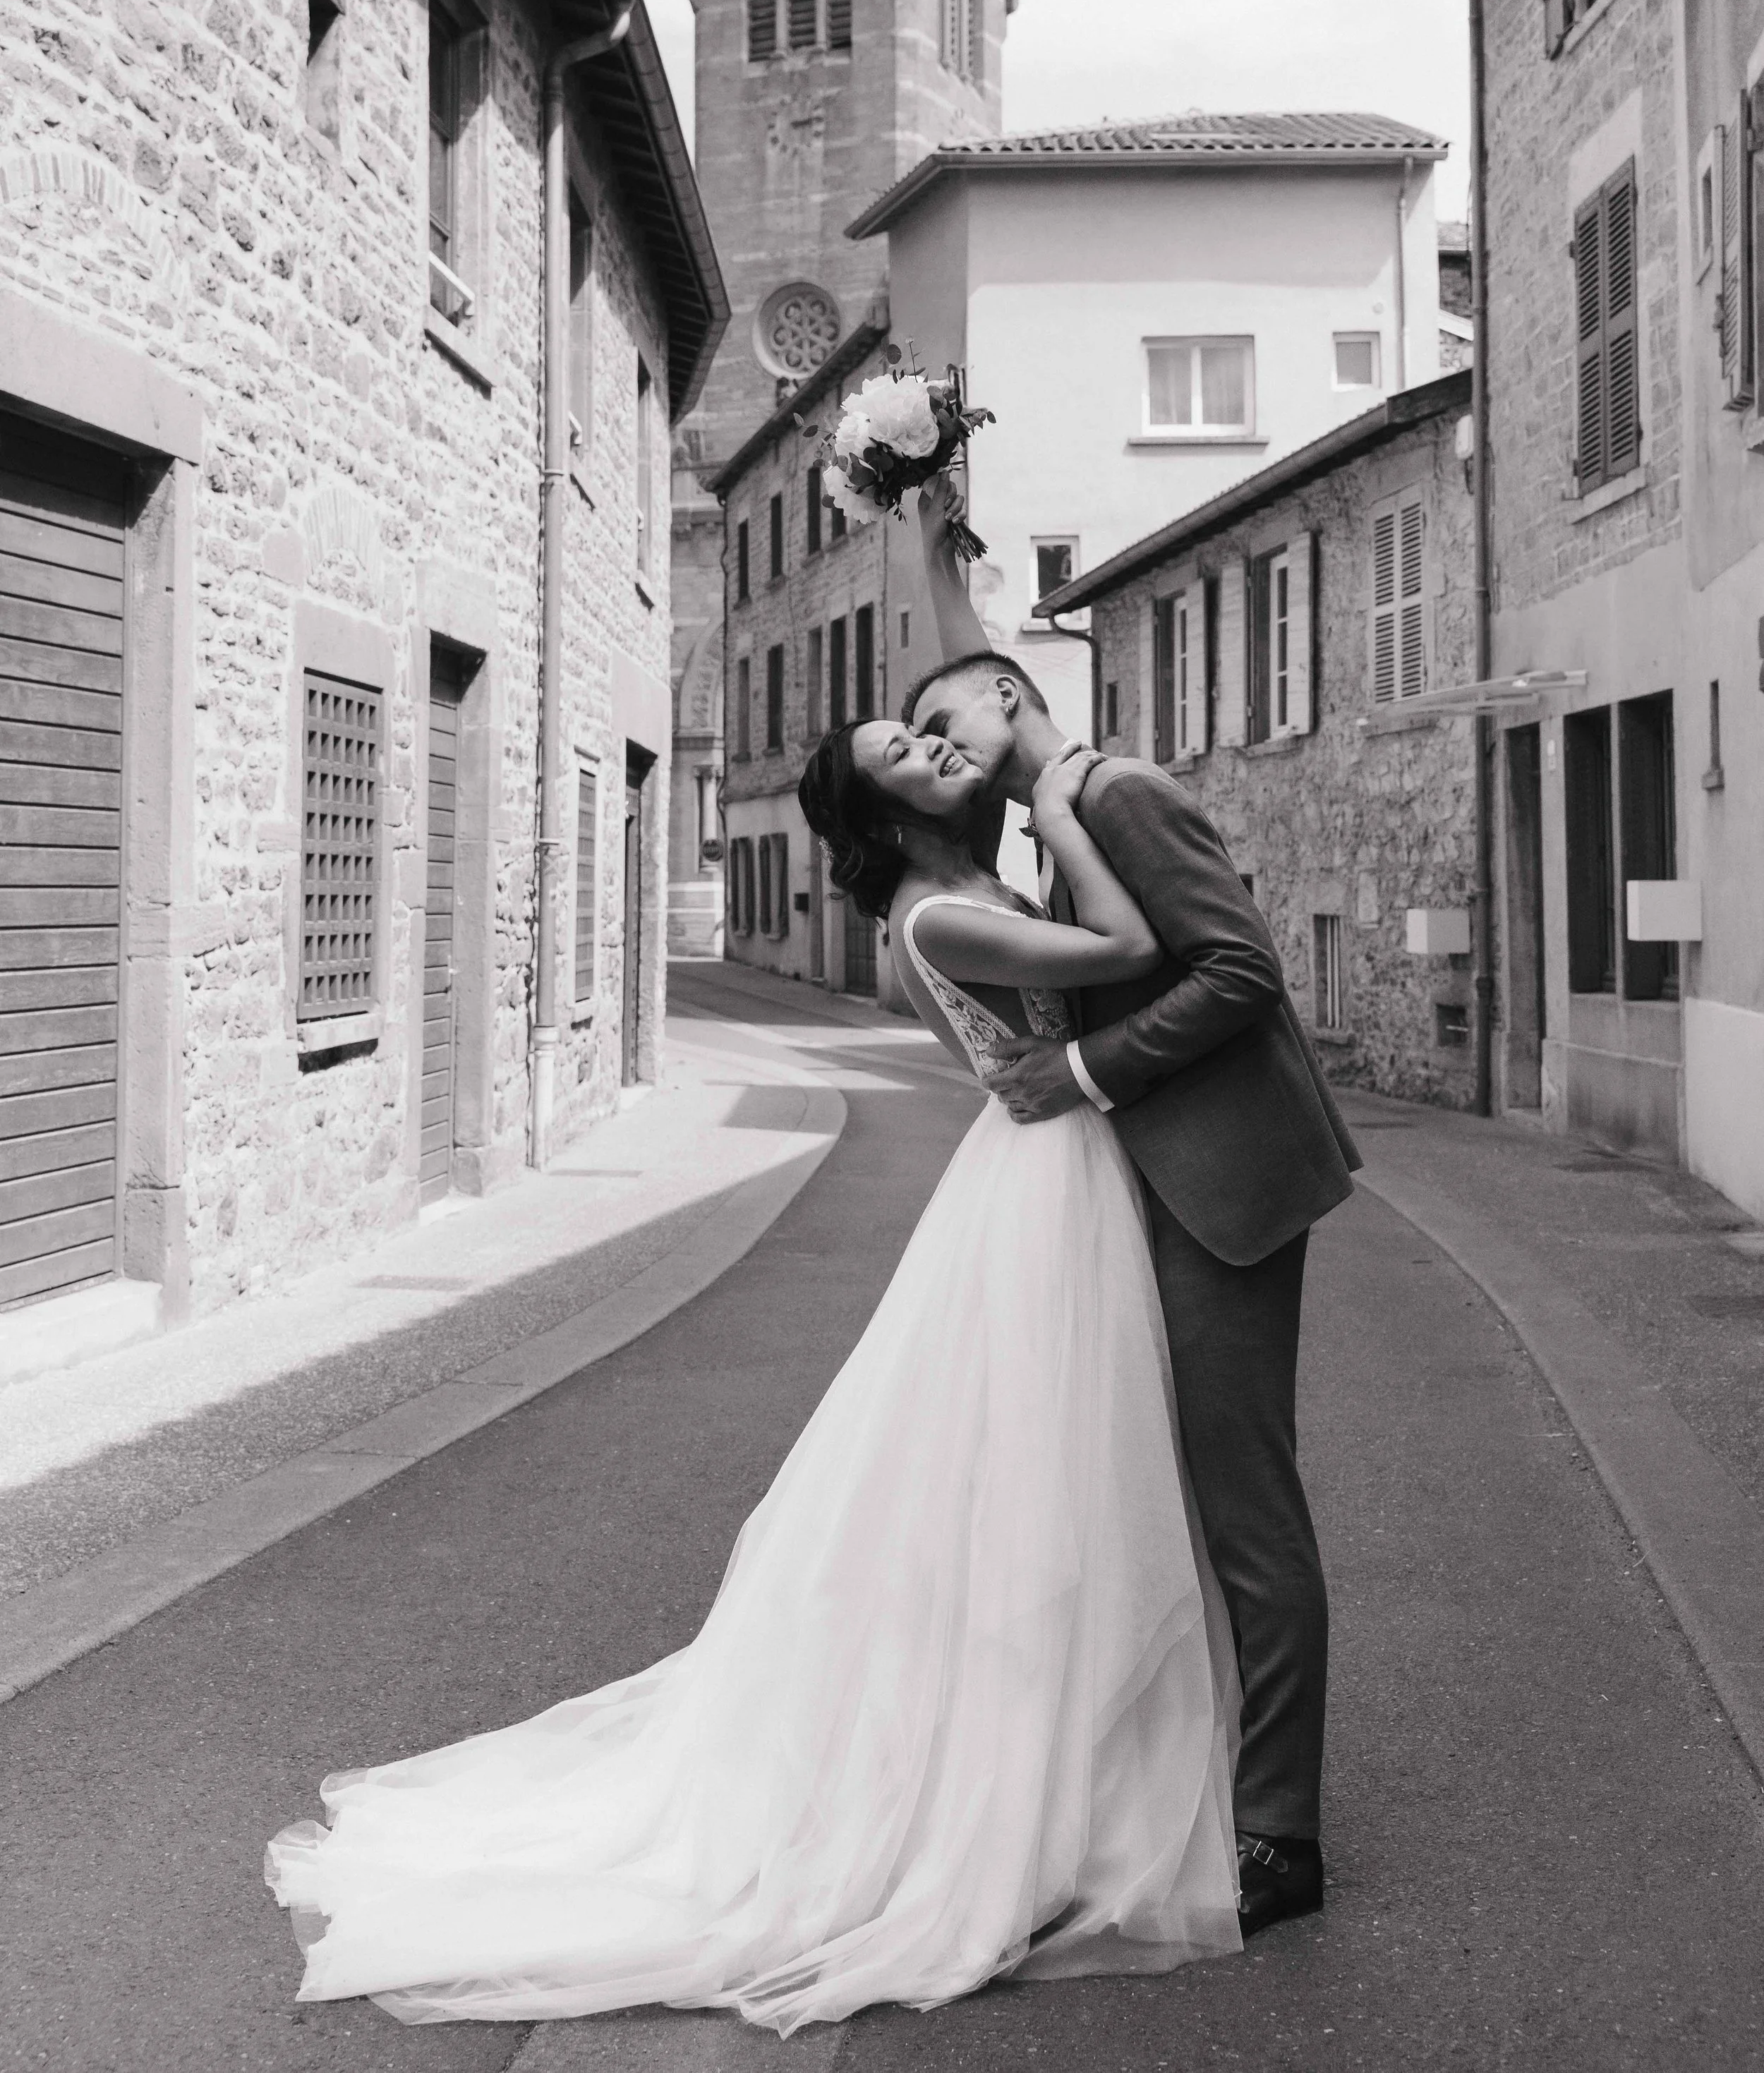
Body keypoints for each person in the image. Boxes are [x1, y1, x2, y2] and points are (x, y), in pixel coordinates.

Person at [264, 713, 1243, 2030]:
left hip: (1050, 1168)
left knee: (1037, 1478)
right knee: (1030, 1475)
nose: (944, 748)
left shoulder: (960, 890)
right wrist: (1065, 808)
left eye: (931, 733)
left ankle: (1060, 1766)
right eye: (910, 749)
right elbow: (1129, 950)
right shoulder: (937, 918)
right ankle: (1007, 1787)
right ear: (885, 814)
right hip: (1038, 1186)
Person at [910, 476, 1360, 1937]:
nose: (940, 750)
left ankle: (1278, 1838)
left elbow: (1239, 975)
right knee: (1130, 1491)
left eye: (948, 724)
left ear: (1004, 691)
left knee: (1242, 1502)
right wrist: (919, 531)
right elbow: (958, 663)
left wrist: (1085, 1071)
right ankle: (1154, 1777)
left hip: (1222, 1184)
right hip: (1140, 1190)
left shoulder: (1114, 792)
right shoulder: (1047, 813)